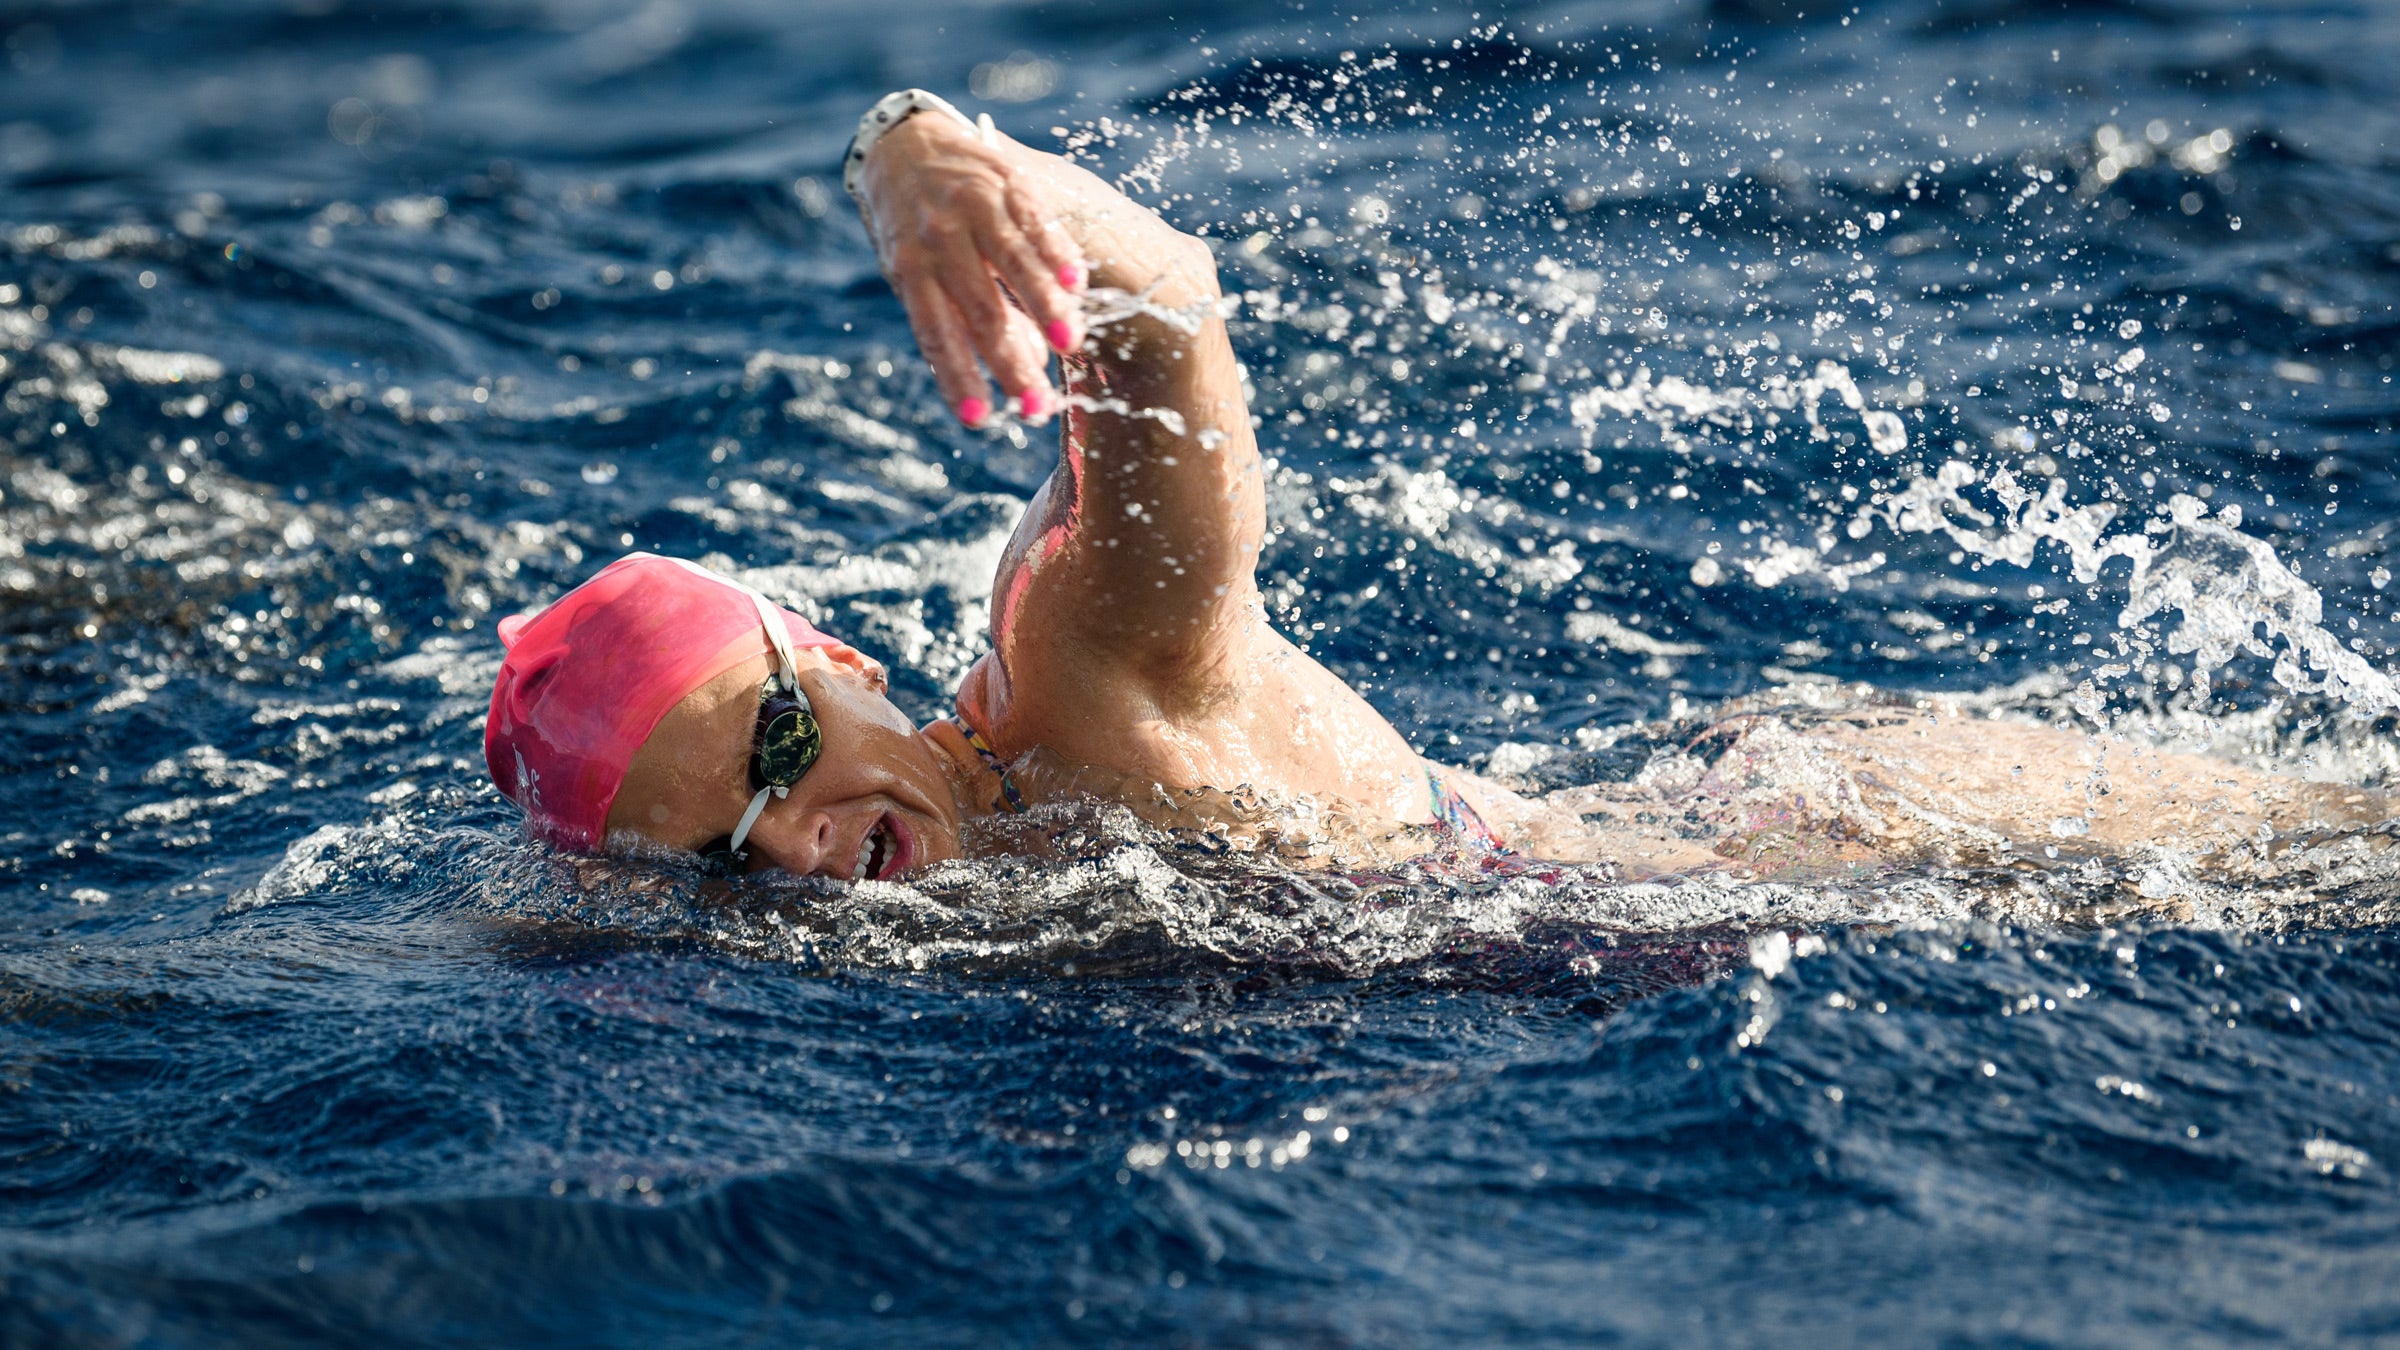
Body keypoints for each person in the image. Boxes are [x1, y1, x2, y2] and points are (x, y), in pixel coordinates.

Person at [483, 90, 2388, 887]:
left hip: (1852, 848)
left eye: (779, 740)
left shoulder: (1080, 659)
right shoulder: (968, 900)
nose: (799, 835)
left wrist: (917, 149)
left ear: (835, 650)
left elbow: (1173, 328)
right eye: (726, 863)